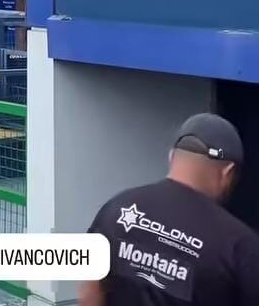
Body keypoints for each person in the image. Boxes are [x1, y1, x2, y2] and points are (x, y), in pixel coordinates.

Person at [79, 113, 259, 305]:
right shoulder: (240, 245)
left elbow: (90, 292)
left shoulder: (115, 209)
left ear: (171, 156)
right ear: (228, 172)